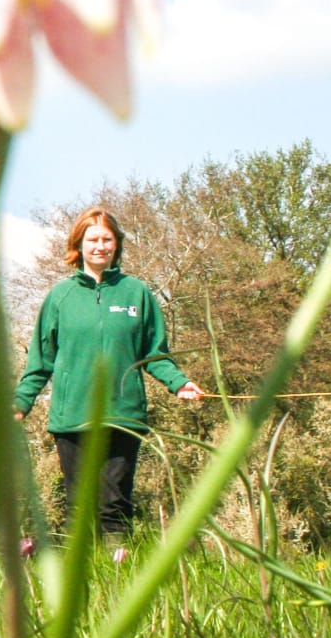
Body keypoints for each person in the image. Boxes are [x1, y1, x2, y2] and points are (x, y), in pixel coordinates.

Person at [14, 207, 202, 536]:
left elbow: (155, 354)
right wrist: (20, 403)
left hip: (123, 416)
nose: (100, 246)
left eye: (107, 239)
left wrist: (180, 383)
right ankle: (83, 581)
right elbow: (41, 361)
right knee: (79, 508)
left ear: (116, 244)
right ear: (79, 245)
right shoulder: (61, 296)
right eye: (92, 239)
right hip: (73, 417)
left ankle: (117, 578)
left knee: (114, 506)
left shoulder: (137, 293)